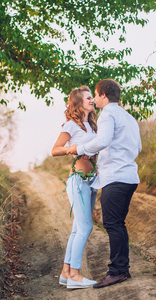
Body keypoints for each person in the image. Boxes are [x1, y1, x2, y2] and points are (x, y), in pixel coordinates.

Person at [68, 79, 141, 289]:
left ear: (103, 95)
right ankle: (122, 269)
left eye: (96, 95)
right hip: (129, 177)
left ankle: (117, 271)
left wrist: (78, 149)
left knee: (112, 224)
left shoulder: (108, 114)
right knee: (118, 223)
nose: (94, 99)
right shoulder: (129, 117)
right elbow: (137, 147)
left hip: (115, 177)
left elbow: (103, 141)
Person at [51, 85, 99, 289]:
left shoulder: (94, 126)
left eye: (92, 97)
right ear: (78, 103)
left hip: (92, 181)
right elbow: (54, 150)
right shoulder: (72, 125)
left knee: (77, 228)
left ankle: (65, 273)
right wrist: (75, 149)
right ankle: (76, 276)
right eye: (88, 98)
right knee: (86, 226)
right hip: (78, 180)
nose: (92, 100)